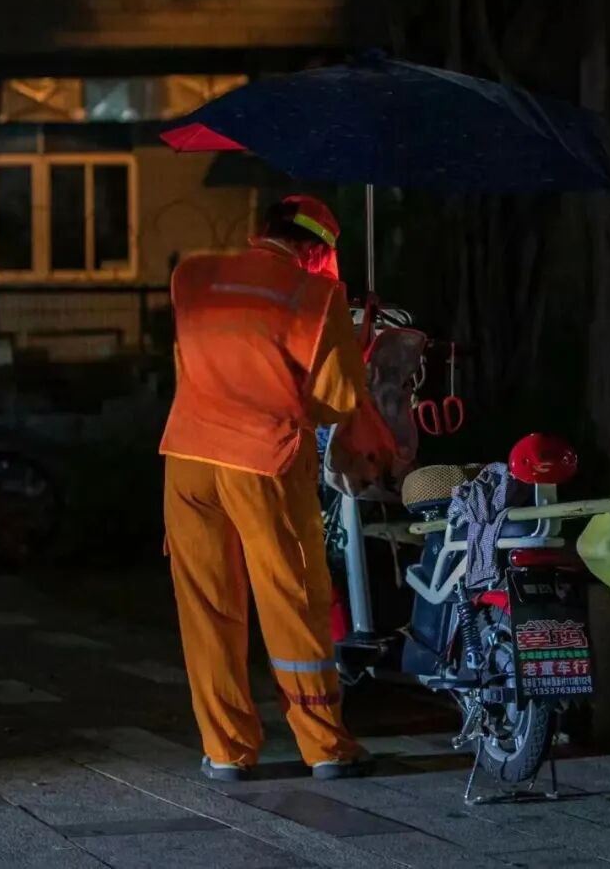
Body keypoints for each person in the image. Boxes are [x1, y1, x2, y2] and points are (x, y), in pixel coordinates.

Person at [160, 194, 392, 782]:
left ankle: (225, 751)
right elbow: (337, 400)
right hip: (263, 460)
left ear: (263, 230)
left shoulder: (192, 276)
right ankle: (325, 746)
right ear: (317, 250)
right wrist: (349, 342)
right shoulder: (316, 297)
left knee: (208, 609)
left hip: (186, 458)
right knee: (293, 600)